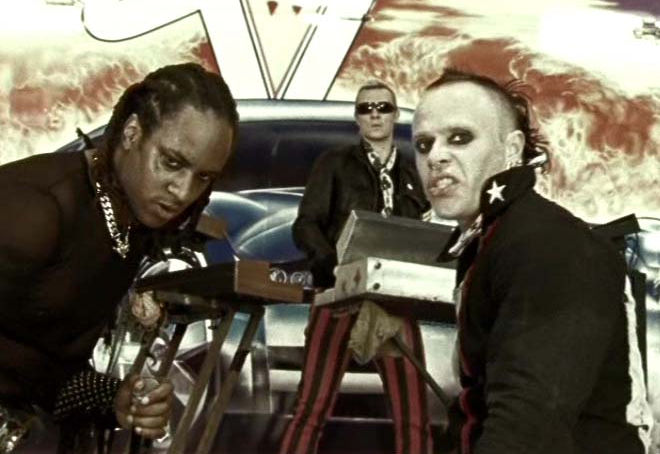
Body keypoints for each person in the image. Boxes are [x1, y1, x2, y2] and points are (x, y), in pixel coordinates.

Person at [0, 62, 238, 452]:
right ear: (132, 132)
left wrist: (115, 399)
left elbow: (41, 373)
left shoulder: (128, 223)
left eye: (203, 177)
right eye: (172, 163)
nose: (183, 192)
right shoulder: (31, 212)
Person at [412, 69, 653, 454]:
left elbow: (529, 425)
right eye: (424, 144)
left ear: (512, 148)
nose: (436, 156)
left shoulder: (549, 245)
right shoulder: (494, 239)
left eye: (460, 138)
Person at [280, 82, 433, 454]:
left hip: (394, 299)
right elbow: (306, 225)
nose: (375, 114)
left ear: (396, 115)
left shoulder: (413, 173)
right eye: (366, 108)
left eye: (383, 107)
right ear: (357, 118)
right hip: (340, 294)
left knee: (414, 414)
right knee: (311, 406)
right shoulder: (335, 163)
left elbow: (423, 234)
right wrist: (333, 267)